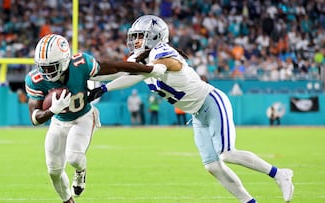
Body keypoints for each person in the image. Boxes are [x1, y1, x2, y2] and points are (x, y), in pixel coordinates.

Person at [88, 15, 294, 203]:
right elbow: (124, 72)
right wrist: (95, 81)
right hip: (196, 114)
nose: (135, 41)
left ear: (155, 37)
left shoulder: (162, 51)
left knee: (227, 153)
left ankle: (279, 173)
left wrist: (152, 68)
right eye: (135, 37)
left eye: (140, 36)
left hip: (210, 101)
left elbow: (170, 65)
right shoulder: (140, 60)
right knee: (212, 166)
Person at [24, 33, 166, 203]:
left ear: (64, 60)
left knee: (74, 158)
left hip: (83, 117)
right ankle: (68, 201)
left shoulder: (80, 65)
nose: (46, 72)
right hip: (59, 121)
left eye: (51, 66)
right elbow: (35, 118)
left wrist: (149, 69)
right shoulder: (35, 79)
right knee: (53, 171)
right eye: (43, 67)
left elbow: (114, 68)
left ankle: (80, 173)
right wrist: (52, 110)